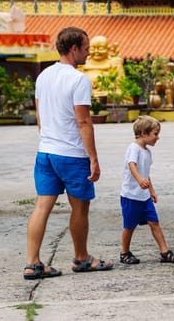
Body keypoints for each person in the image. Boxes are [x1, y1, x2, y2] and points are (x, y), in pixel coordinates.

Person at [24, 26, 113, 280]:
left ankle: (32, 263)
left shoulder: (43, 76)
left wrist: (48, 139)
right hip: (72, 154)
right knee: (80, 208)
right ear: (73, 49)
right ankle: (82, 258)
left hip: (46, 152)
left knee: (42, 206)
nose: (88, 52)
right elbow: (84, 122)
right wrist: (94, 158)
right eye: (85, 48)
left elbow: (40, 116)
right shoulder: (78, 80)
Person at [119, 115, 174, 264]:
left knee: (154, 222)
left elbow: (146, 174)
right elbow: (132, 165)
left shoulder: (147, 152)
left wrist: (151, 190)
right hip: (131, 196)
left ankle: (165, 252)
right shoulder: (134, 148)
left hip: (144, 196)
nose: (158, 137)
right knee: (129, 226)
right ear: (143, 133)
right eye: (155, 134)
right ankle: (124, 252)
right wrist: (139, 180)